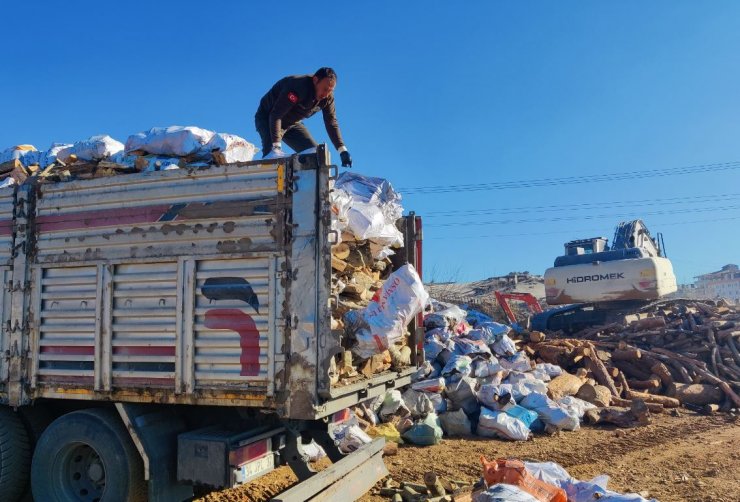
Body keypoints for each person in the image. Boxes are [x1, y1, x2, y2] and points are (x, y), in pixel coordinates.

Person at [254, 67, 352, 167]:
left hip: (292, 123)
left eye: (330, 91)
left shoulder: (327, 98)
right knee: (273, 159)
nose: (326, 94)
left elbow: (331, 122)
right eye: (325, 89)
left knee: (315, 156)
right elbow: (276, 115)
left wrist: (342, 150)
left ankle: (304, 181)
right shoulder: (298, 86)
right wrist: (276, 148)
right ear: (315, 80)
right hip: (268, 118)